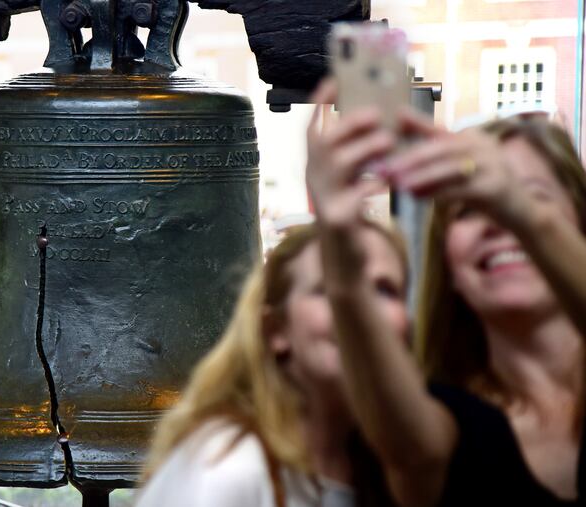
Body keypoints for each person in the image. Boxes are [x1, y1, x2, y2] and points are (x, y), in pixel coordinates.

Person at [308, 78, 586, 506]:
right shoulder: (442, 415)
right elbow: (411, 453)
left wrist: (527, 216)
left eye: (532, 197)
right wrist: (341, 257)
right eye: (469, 209)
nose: (498, 220)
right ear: (447, 262)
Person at [135, 215, 410, 507]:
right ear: (276, 330)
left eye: (384, 289)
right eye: (329, 288)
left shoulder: (391, 469)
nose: (359, 306)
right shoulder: (227, 467)